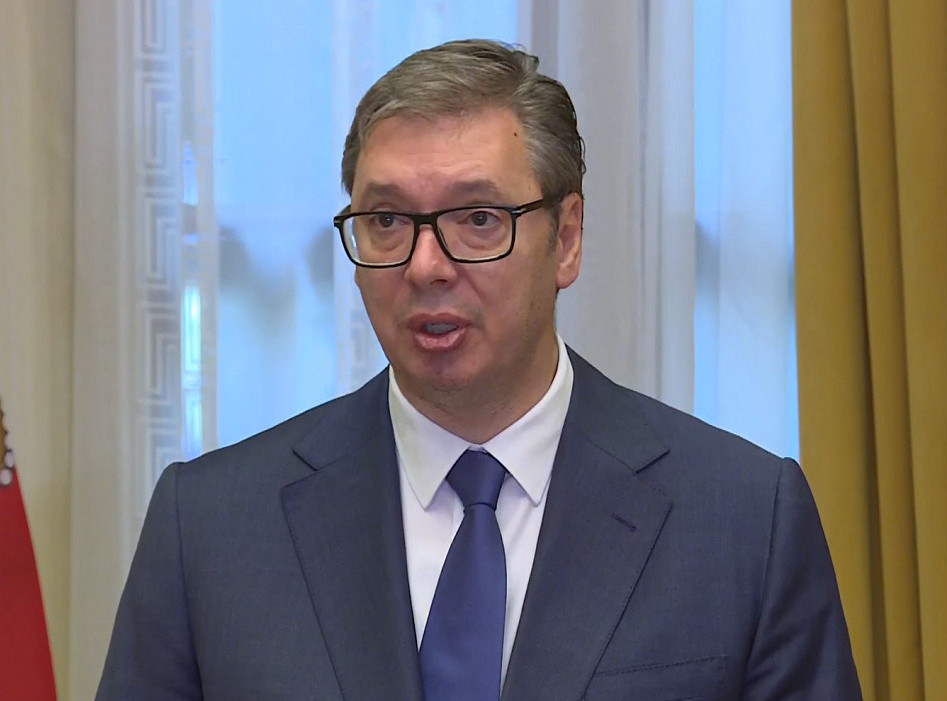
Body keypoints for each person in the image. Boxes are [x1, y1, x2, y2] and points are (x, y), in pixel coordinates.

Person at [96, 39, 861, 700]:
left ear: (566, 238)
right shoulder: (210, 527)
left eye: (477, 219)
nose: (425, 265)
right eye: (386, 220)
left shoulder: (743, 519)